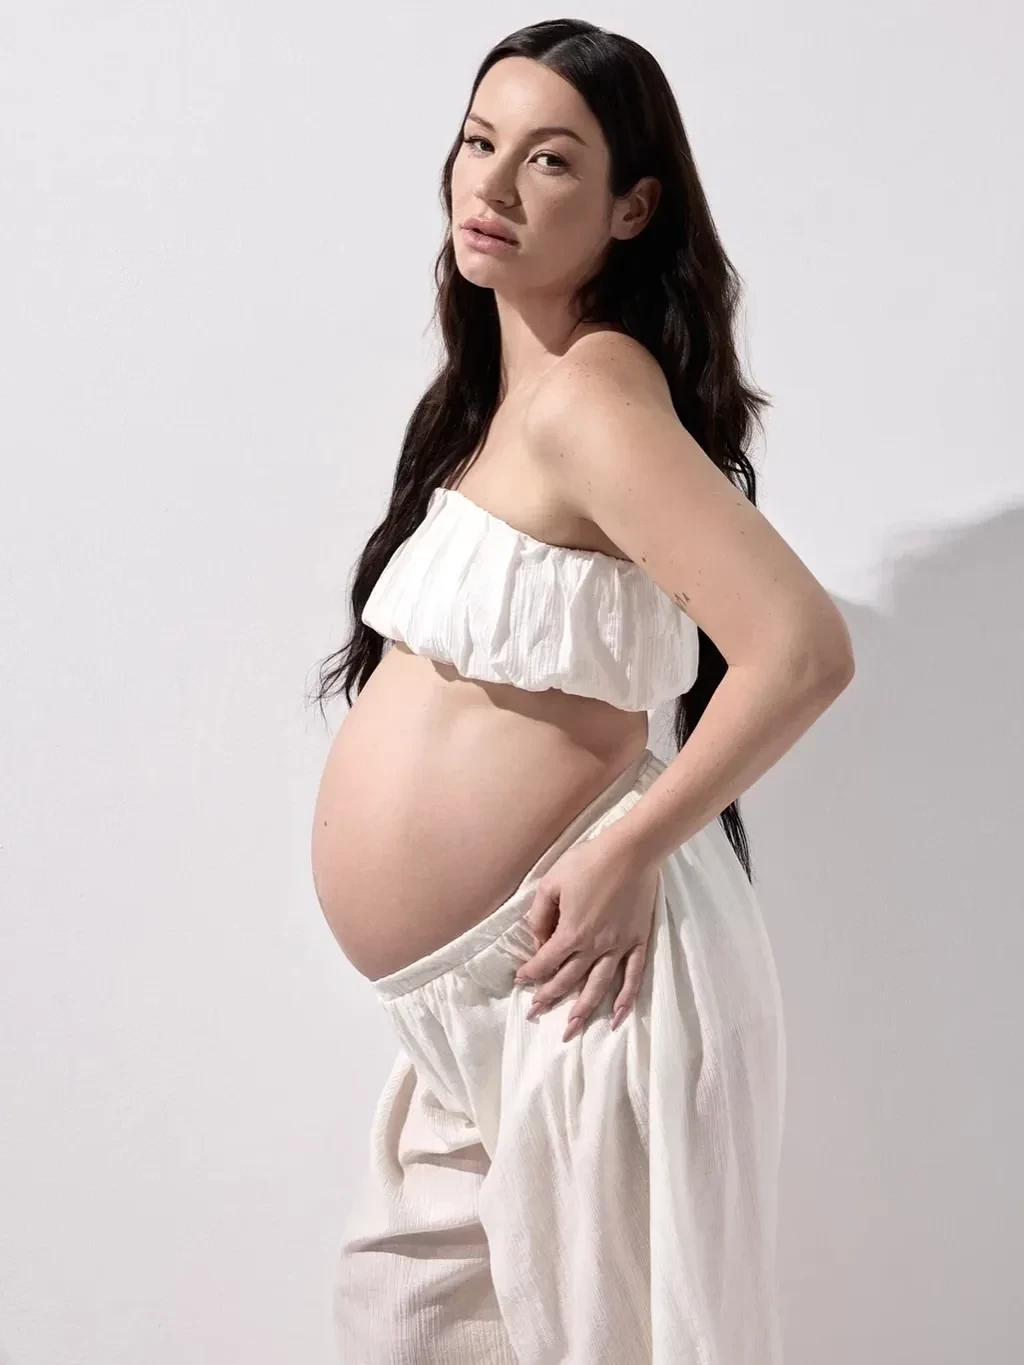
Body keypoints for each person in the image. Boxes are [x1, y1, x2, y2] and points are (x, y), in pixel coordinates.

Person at [309, 18, 854, 1364]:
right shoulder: (504, 399)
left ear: (632, 207)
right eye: (478, 142)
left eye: (550, 160)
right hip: (485, 1003)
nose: (493, 186)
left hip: (590, 979)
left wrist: (628, 851)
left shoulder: (593, 396)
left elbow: (800, 648)